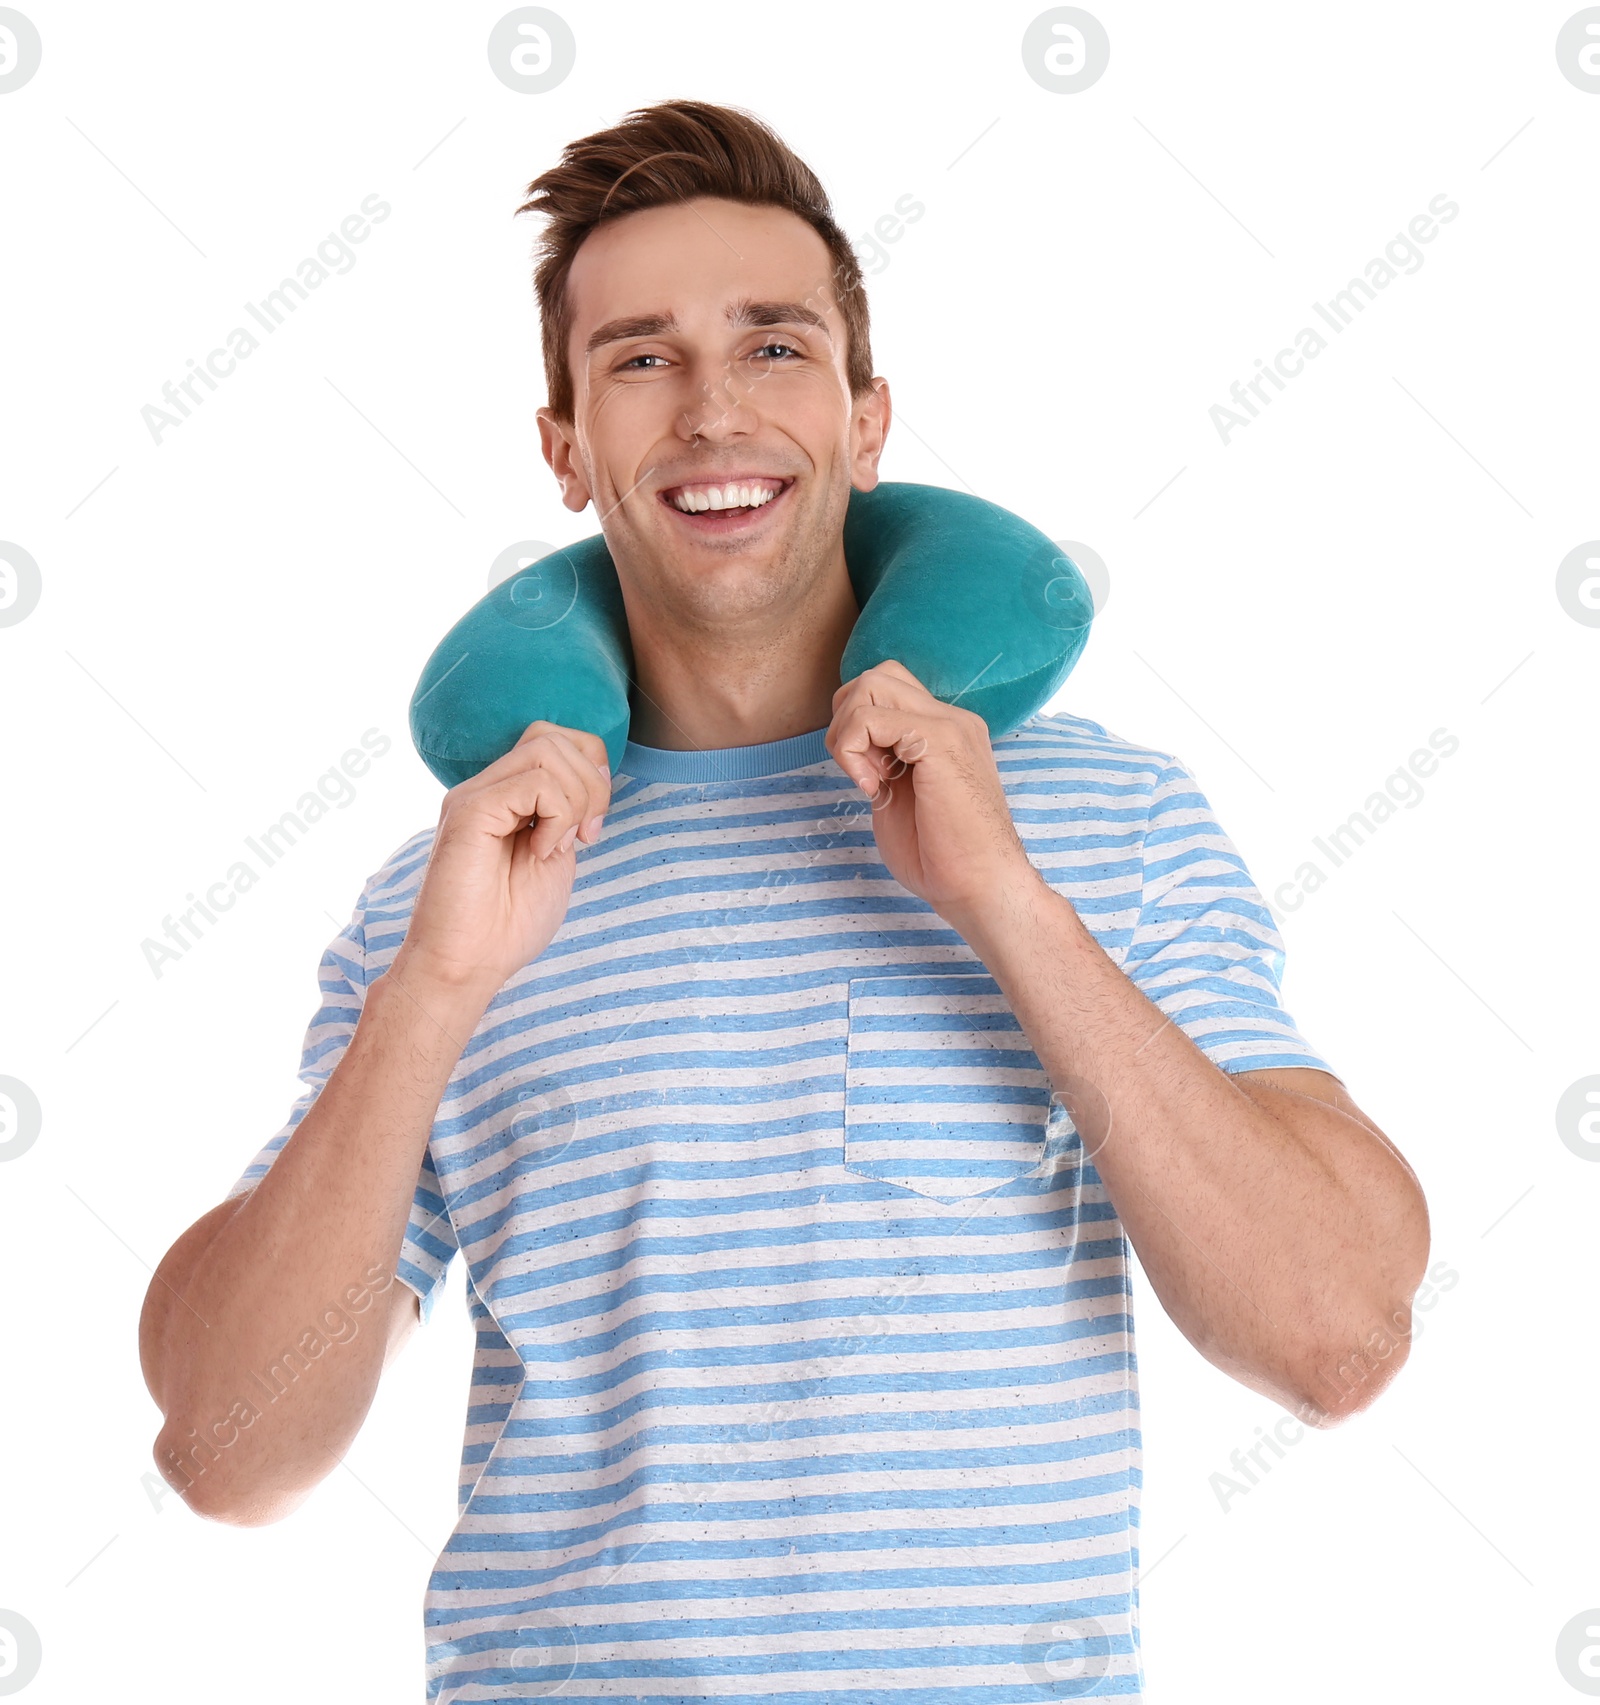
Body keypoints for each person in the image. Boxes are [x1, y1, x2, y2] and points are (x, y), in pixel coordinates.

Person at [139, 98, 1430, 1701]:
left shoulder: (1110, 815)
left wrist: (1008, 903)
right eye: (637, 359)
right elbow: (222, 1451)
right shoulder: (452, 890)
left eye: (771, 348)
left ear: (867, 417)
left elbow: (1339, 1337)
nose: (708, 411)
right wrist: (433, 996)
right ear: (564, 448)